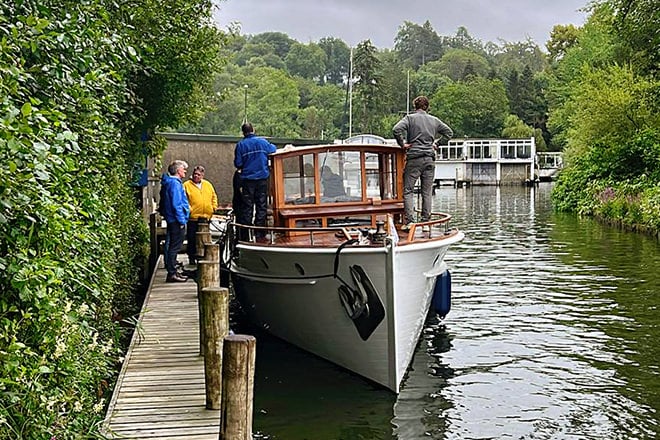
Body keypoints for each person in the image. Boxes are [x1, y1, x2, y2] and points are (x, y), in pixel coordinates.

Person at [392, 96, 453, 231]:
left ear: (415, 106)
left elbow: (396, 130)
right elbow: (449, 133)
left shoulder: (409, 118)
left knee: (408, 191)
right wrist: (437, 144)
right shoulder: (434, 120)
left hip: (414, 159)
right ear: (427, 107)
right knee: (427, 191)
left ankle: (410, 222)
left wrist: (402, 144)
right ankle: (426, 223)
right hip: (430, 159)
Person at [234, 122, 277, 240]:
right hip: (262, 179)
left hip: (248, 180)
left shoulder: (241, 145)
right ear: (254, 130)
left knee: (247, 207)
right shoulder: (262, 142)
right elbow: (273, 149)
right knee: (261, 206)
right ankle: (260, 234)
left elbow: (238, 163)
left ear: (243, 132)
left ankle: (246, 235)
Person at [160, 160, 190, 282]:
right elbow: (176, 203)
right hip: (176, 220)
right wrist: (182, 220)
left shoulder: (170, 183)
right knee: (175, 246)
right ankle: (172, 273)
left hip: (172, 219)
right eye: (183, 169)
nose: (185, 171)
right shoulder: (175, 184)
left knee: (173, 245)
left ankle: (173, 271)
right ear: (178, 171)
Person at [183, 165, 218, 265]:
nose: (196, 176)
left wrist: (213, 207)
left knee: (204, 238)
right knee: (192, 238)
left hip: (206, 217)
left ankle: (202, 255)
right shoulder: (186, 185)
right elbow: (184, 199)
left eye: (199, 174)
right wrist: (189, 210)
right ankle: (192, 257)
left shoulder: (208, 184)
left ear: (202, 175)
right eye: (195, 174)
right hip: (193, 217)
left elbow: (213, 196)